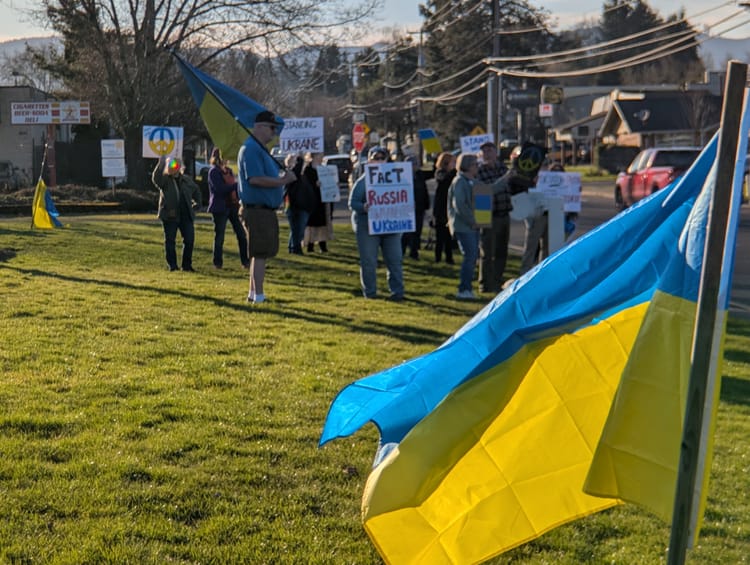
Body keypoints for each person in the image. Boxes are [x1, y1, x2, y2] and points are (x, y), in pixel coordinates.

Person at [237, 110, 297, 304]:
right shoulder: (251, 149)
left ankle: (254, 293)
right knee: (260, 253)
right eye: (272, 128)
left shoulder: (259, 149)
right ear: (260, 127)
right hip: (257, 209)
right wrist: (282, 181)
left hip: (262, 209)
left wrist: (286, 169)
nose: (274, 133)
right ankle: (259, 296)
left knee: (259, 253)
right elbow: (255, 179)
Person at [348, 146, 405, 301]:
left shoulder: (398, 178)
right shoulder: (363, 181)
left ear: (387, 160)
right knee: (368, 261)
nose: (379, 161)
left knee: (394, 260)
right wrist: (363, 207)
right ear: (369, 160)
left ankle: (397, 292)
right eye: (375, 158)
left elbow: (404, 197)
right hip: (367, 227)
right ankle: (370, 292)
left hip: (391, 226)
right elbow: (352, 203)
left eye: (382, 158)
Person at [151, 155, 202, 272]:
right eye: (171, 165)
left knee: (189, 240)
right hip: (169, 215)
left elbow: (196, 191)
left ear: (180, 166)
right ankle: (172, 265)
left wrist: (197, 204)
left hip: (185, 214)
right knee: (170, 241)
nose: (173, 167)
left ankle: (186, 265)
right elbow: (155, 178)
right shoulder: (164, 180)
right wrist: (160, 164)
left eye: (175, 164)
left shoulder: (187, 180)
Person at [476, 140, 510, 293]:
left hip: (505, 213)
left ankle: (497, 280)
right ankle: (485, 283)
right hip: (488, 215)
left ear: (496, 153)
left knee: (501, 251)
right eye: (485, 151)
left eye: (490, 151)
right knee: (487, 252)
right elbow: (485, 190)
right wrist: (502, 182)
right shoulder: (478, 171)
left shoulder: (504, 169)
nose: (487, 154)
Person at [207, 147, 249, 269]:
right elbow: (219, 189)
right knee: (220, 236)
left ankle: (245, 261)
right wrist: (234, 186)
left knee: (241, 234)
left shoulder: (229, 171)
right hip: (220, 207)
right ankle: (217, 262)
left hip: (233, 206)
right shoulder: (213, 172)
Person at [447, 153, 480, 299]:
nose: (477, 167)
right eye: (475, 164)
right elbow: (459, 204)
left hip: (471, 226)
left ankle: (467, 287)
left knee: (472, 257)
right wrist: (472, 220)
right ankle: (464, 289)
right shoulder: (460, 181)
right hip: (464, 226)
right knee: (470, 256)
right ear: (467, 165)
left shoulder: (471, 181)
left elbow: (488, 189)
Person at [283, 153, 314, 255]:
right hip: (295, 206)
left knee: (296, 229)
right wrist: (300, 157)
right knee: (297, 229)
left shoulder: (299, 175)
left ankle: (292, 247)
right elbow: (298, 167)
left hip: (301, 205)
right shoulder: (290, 174)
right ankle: (296, 248)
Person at [401, 155, 431, 259]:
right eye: (415, 164)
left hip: (419, 207)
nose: (417, 166)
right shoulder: (402, 176)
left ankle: (414, 252)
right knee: (406, 232)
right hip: (407, 208)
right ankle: (402, 251)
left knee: (417, 231)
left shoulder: (420, 175)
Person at [303, 152, 330, 253]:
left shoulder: (323, 168)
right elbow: (305, 184)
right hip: (312, 199)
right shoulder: (308, 169)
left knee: (322, 223)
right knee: (312, 223)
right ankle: (310, 245)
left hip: (322, 199)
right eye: (319, 155)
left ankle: (323, 244)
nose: (321, 157)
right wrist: (315, 184)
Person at [432, 151, 456, 264]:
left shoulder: (454, 174)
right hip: (441, 207)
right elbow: (444, 180)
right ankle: (438, 257)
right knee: (440, 236)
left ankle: (449, 257)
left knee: (448, 236)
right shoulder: (440, 173)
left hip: (449, 206)